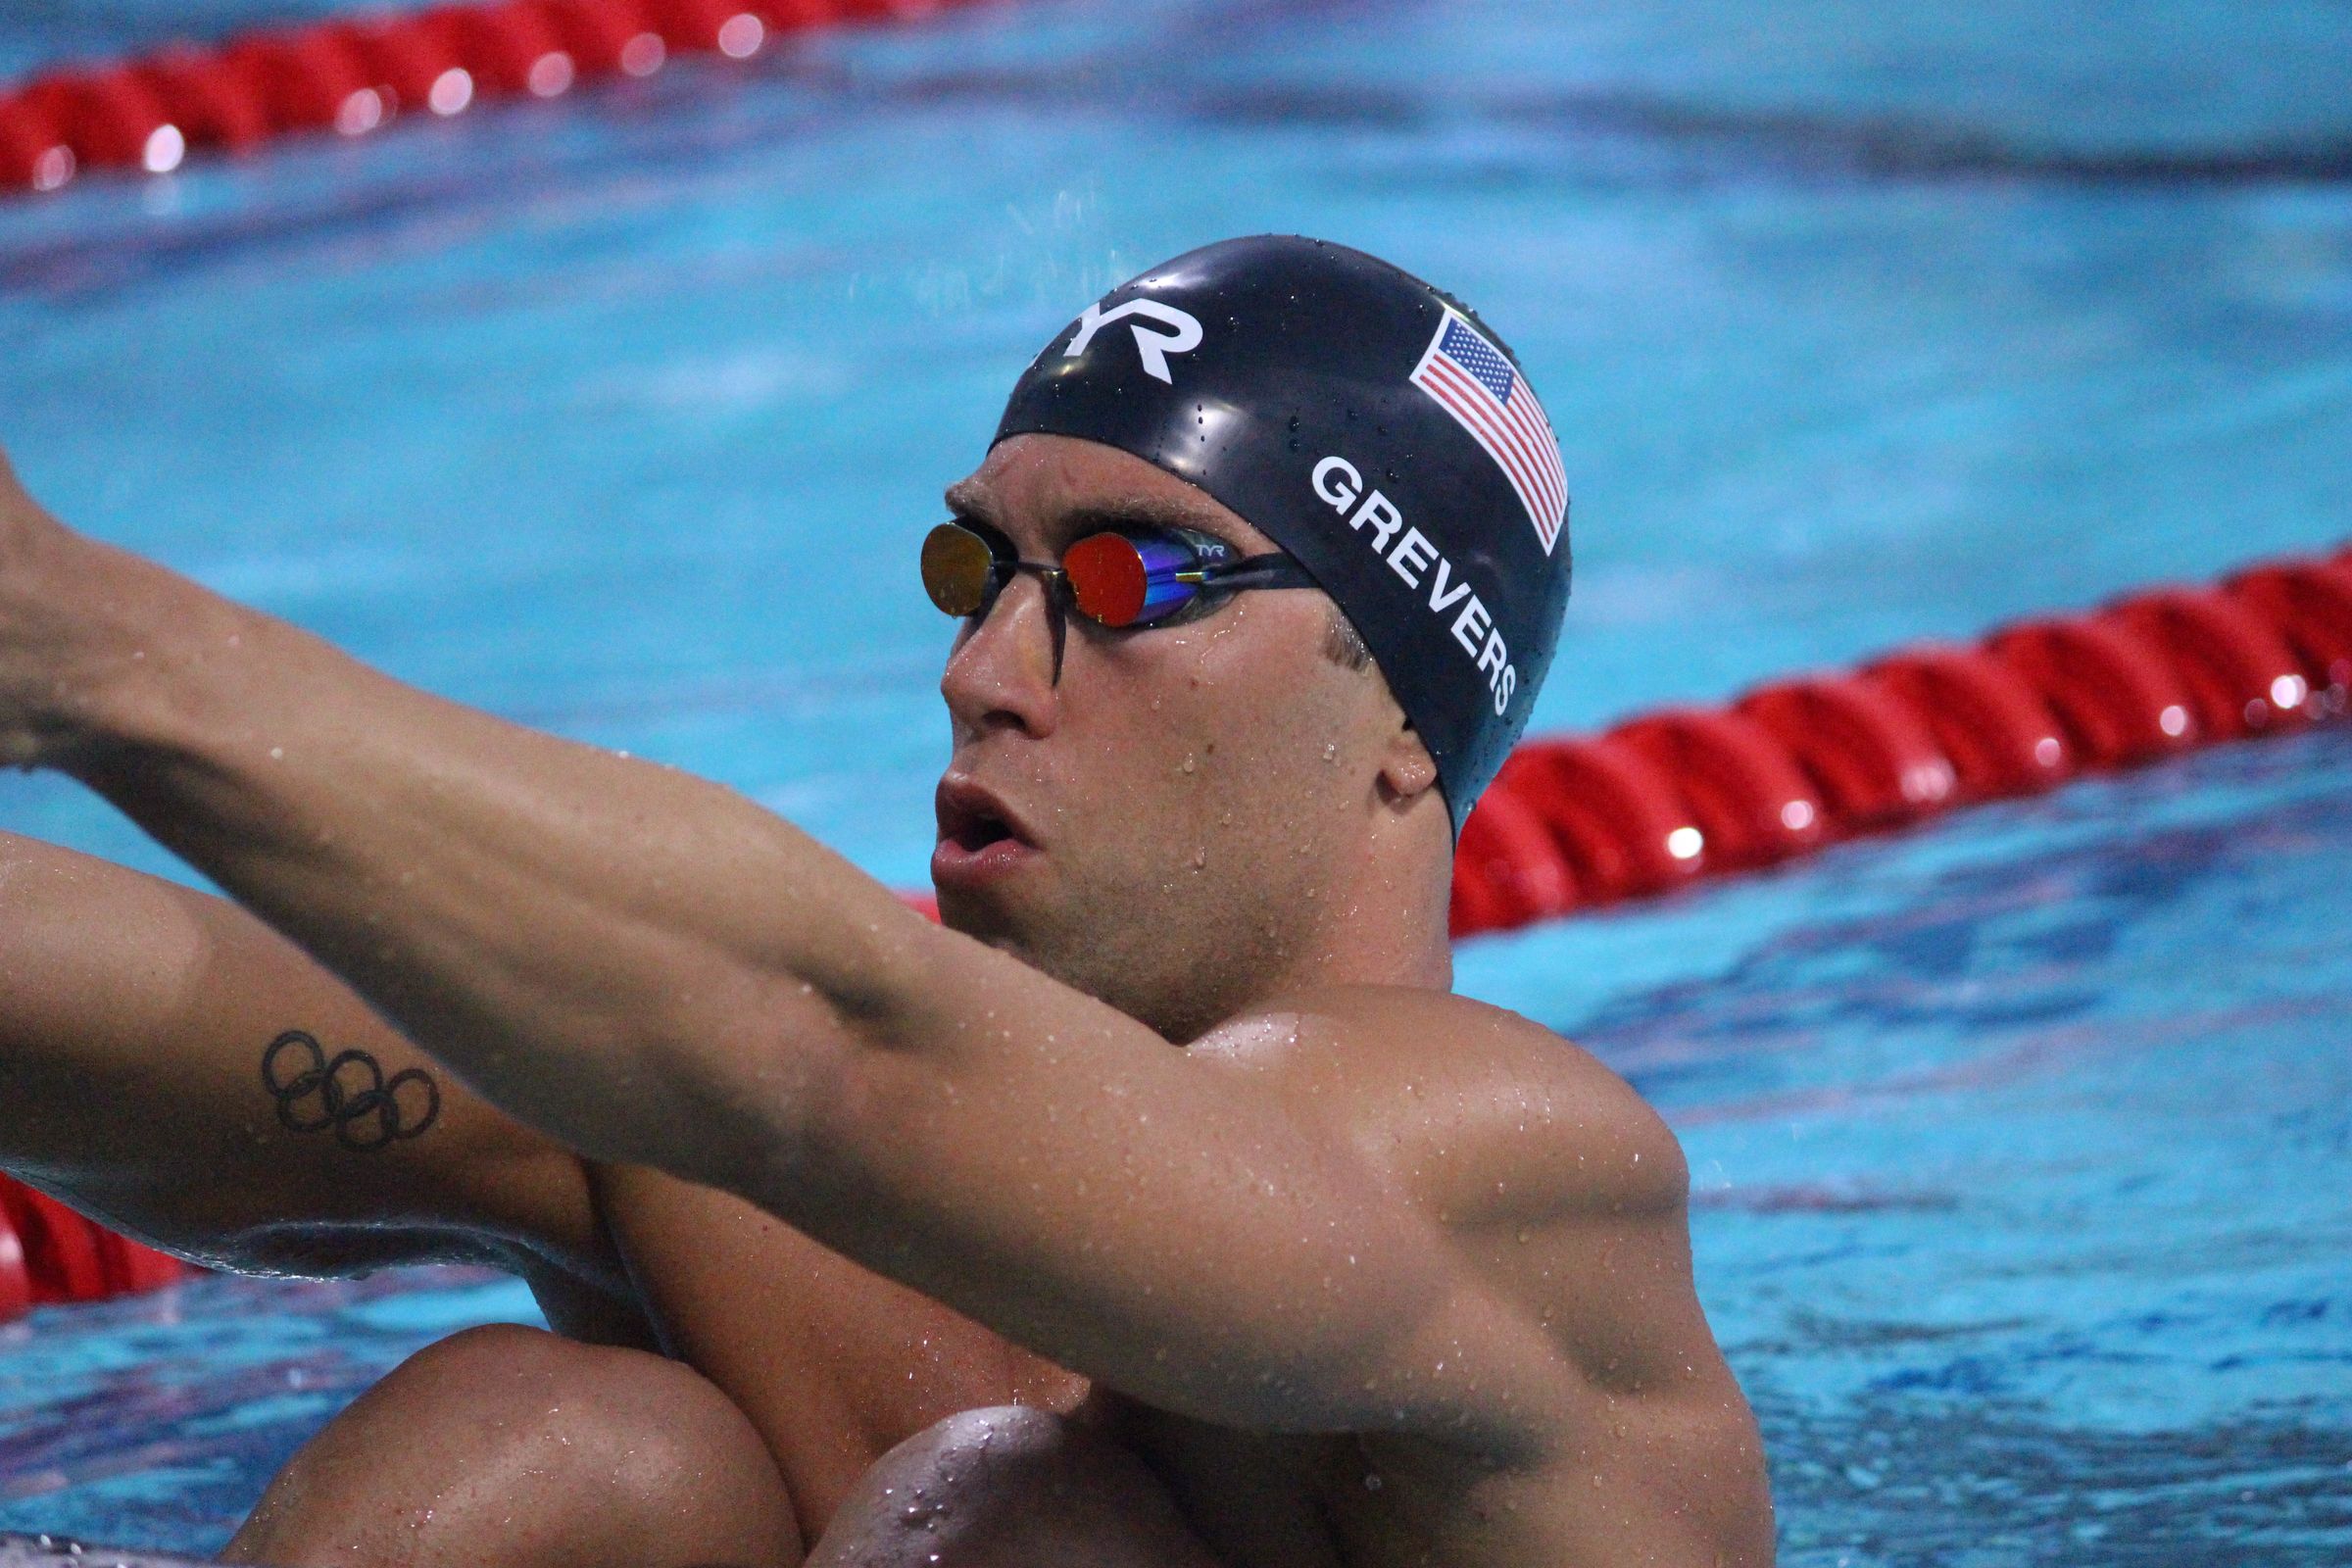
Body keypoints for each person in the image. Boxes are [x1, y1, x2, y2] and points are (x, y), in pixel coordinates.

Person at [0, 237, 1773, 1568]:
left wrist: (93, 650)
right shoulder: (777, 1168)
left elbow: (831, 1053)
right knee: (573, 1450)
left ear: (1402, 723)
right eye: (976, 571)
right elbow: (193, 1013)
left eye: (1128, 582)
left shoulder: (1527, 1188)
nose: (982, 670)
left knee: (1019, 1521)